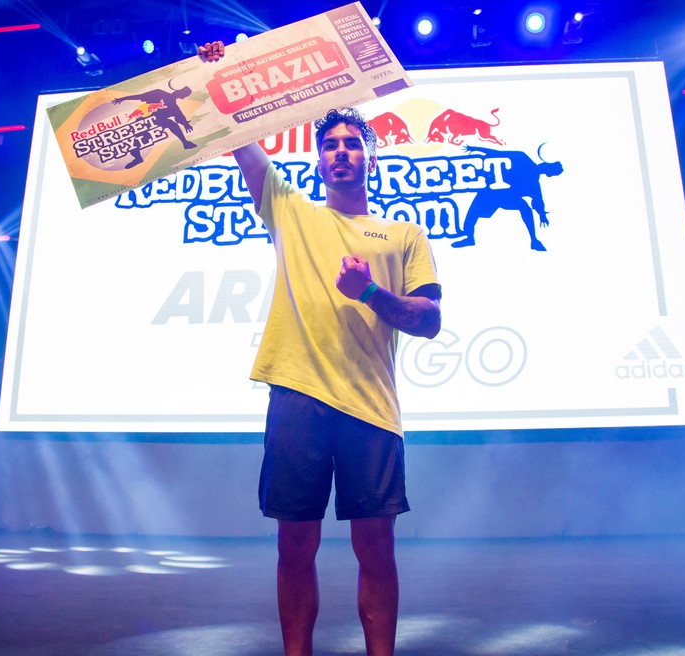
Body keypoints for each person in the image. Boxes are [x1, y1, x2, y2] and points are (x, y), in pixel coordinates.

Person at [200, 42, 442, 656]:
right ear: (317, 162)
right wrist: (216, 71)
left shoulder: (405, 233)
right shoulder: (289, 211)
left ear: (370, 158)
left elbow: (429, 320)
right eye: (331, 145)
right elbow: (238, 136)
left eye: (352, 144)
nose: (342, 152)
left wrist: (370, 294)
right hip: (298, 399)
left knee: (376, 550)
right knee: (294, 548)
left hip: (370, 409)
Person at [451, 144, 564, 251]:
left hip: (507, 197)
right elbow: (497, 154)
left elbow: (538, 202)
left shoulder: (534, 184)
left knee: (525, 208)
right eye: (551, 168)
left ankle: (534, 241)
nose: (547, 169)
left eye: (551, 171)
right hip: (492, 192)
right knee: (473, 212)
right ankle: (469, 238)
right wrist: (476, 148)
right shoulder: (522, 158)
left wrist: (542, 215)